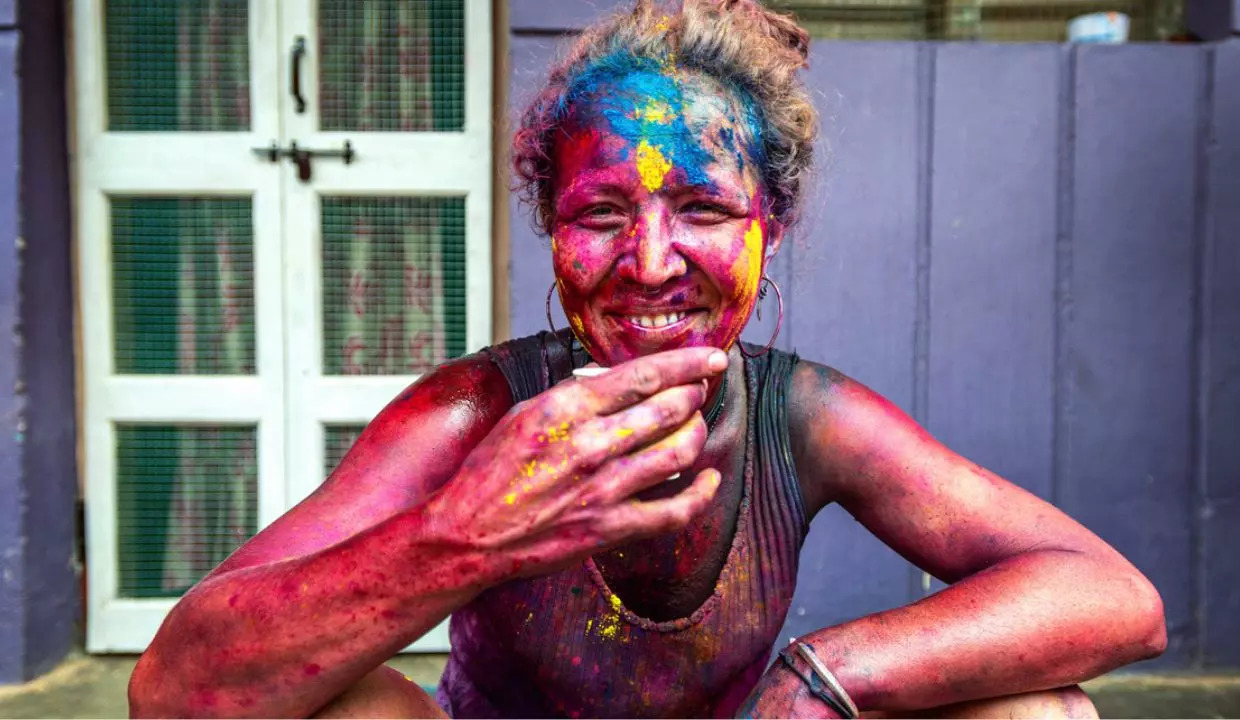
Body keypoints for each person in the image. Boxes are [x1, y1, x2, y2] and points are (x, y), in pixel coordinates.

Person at [128, 1, 1166, 717]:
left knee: (1037, 708)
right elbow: (176, 691)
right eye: (601, 213)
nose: (652, 264)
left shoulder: (797, 417)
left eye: (705, 208)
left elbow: (1114, 599)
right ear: (548, 225)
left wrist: (822, 675)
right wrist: (462, 539)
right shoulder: (470, 412)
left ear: (773, 223)